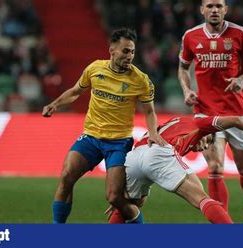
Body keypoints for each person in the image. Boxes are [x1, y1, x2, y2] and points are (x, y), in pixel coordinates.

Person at [42, 28, 167, 224]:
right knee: (67, 176)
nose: (130, 56)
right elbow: (75, 91)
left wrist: (152, 133)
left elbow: (149, 111)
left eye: (132, 52)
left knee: (114, 197)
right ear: (112, 50)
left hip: (118, 143)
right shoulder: (95, 69)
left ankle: (139, 226)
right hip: (91, 137)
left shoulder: (141, 80)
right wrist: (54, 104)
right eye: (125, 51)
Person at [178, 0, 243, 223]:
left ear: (226, 10)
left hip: (236, 111)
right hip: (205, 111)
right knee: (215, 166)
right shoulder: (190, 36)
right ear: (202, 10)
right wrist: (187, 89)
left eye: (219, 6)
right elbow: (183, 67)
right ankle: (223, 225)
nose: (214, 10)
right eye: (210, 6)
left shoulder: (239, 34)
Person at [106, 115, 243, 224]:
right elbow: (236, 120)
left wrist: (121, 193)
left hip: (135, 155)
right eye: (207, 141)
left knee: (129, 203)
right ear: (207, 133)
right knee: (201, 198)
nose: (202, 148)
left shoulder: (174, 122)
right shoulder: (200, 123)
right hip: (159, 152)